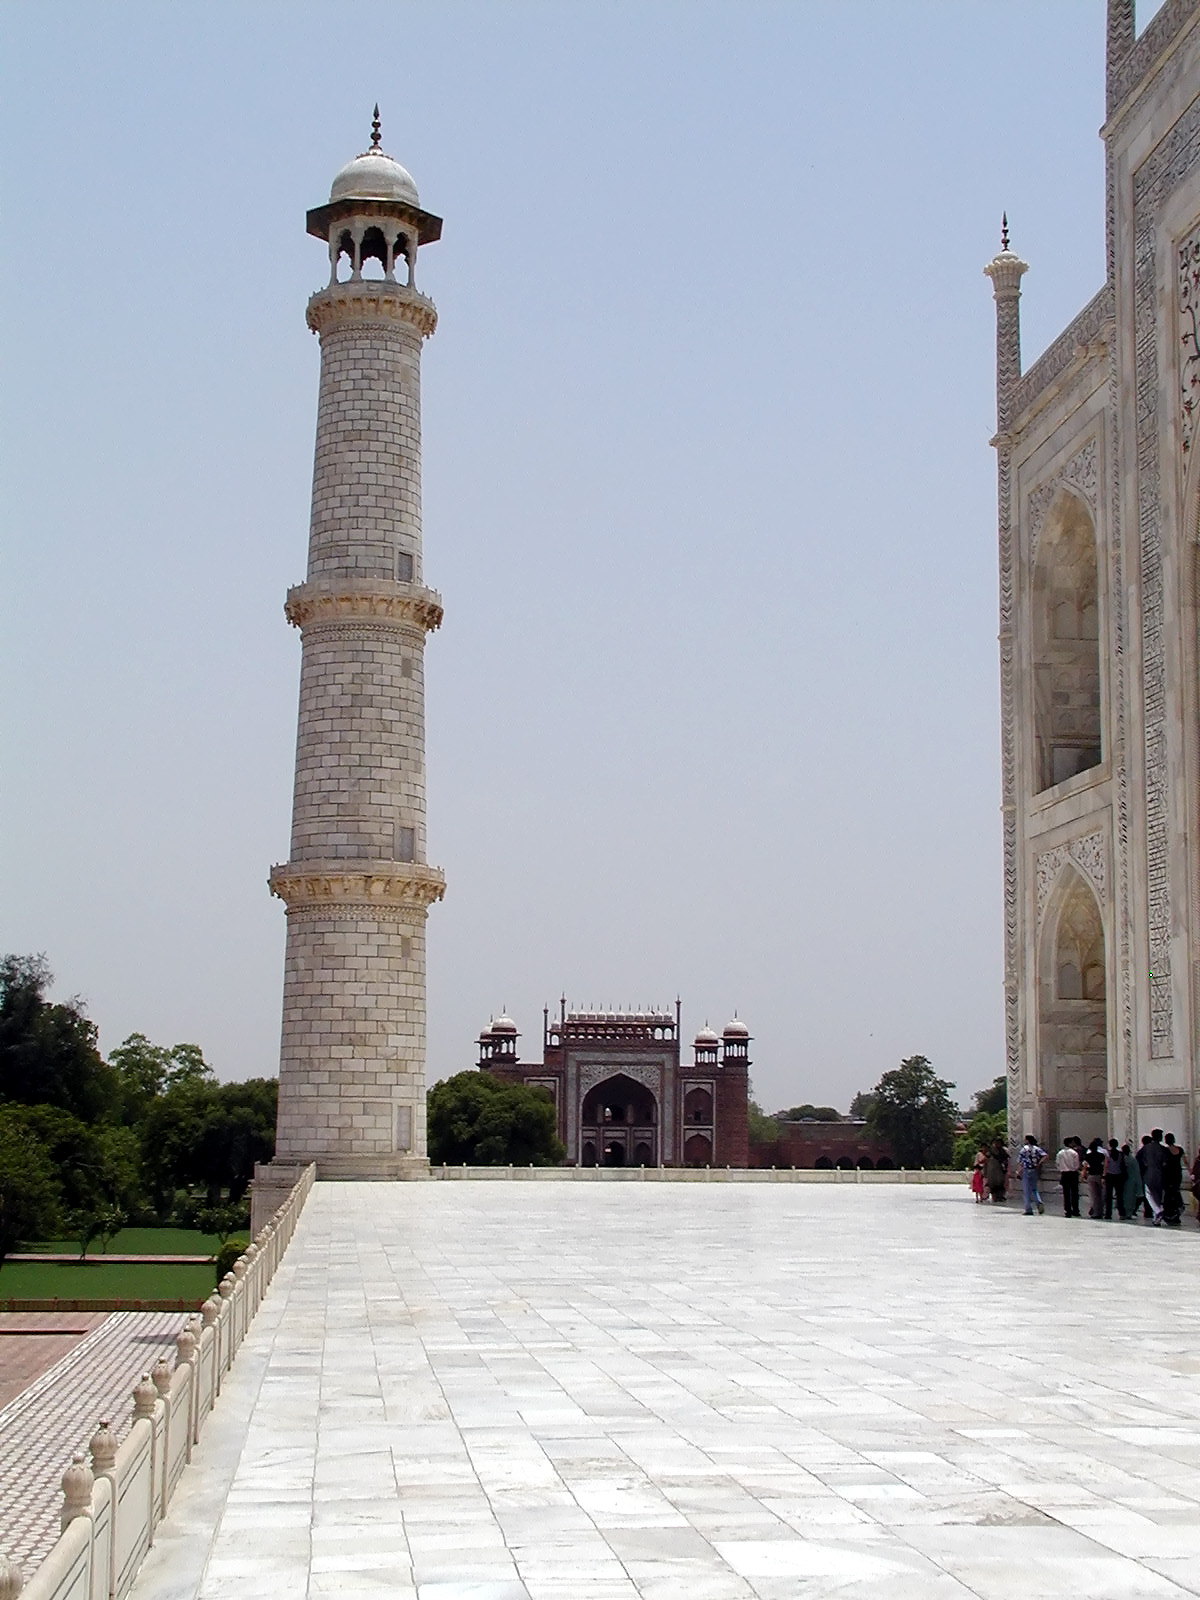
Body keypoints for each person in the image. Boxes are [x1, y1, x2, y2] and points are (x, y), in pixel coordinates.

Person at [1017, 1133, 1046, 1216]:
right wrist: (1038, 1164)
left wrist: (1019, 1172)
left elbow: (1020, 1162)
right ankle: (1038, 1201)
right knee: (1034, 1188)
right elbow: (1045, 1156)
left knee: (1026, 1190)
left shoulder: (1024, 1149)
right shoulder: (1037, 1149)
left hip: (1026, 1170)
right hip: (1034, 1170)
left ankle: (1028, 1208)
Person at [1141, 1129, 1166, 1226]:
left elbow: (1143, 1160)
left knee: (1149, 1194)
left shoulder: (1146, 1148)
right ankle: (1156, 1219)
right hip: (1160, 1174)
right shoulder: (1162, 1149)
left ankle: (1157, 1211)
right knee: (1157, 1195)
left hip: (1149, 1173)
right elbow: (1164, 1162)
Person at [1162, 1134, 1185, 1227]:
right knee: (1176, 1193)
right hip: (1177, 1174)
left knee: (1168, 1195)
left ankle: (1169, 1215)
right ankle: (1176, 1214)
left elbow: (1163, 1163)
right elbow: (1185, 1161)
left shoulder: (1165, 1150)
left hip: (1168, 1175)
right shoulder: (1179, 1149)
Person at [1056, 1136, 1081, 1217]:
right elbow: (1076, 1164)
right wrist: (1074, 1168)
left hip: (1064, 1173)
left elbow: (1057, 1164)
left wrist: (1062, 1169)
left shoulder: (1060, 1153)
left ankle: (1067, 1210)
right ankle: (1075, 1210)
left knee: (1066, 1193)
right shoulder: (1074, 1153)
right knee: (1074, 1192)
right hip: (1073, 1173)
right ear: (1070, 1143)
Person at [1103, 1138, 1127, 1221]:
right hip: (1119, 1176)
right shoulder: (1121, 1154)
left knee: (1108, 1196)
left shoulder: (1108, 1154)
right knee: (1119, 1196)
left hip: (1110, 1176)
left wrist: (1104, 1176)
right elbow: (1123, 1165)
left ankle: (1108, 1213)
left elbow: (1106, 1166)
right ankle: (1122, 1213)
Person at [1082, 1138, 1106, 1218]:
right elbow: (1104, 1165)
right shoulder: (1101, 1155)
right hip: (1099, 1175)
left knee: (1093, 1195)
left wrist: (1083, 1175)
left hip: (1091, 1175)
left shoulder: (1088, 1156)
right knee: (1101, 1195)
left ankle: (1095, 1212)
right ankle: (1100, 1211)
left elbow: (1085, 1166)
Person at [1121, 1142, 1144, 1222]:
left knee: (1129, 1198)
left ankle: (1128, 1213)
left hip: (1129, 1181)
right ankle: (1128, 1213)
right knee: (1129, 1198)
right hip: (1129, 1181)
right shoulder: (1131, 1159)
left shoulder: (1130, 1159)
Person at [985, 1139, 1009, 1204]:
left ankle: (1000, 1196)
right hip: (992, 1171)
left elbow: (1006, 1158)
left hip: (1000, 1170)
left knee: (1000, 1183)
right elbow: (986, 1160)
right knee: (992, 1184)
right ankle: (994, 1197)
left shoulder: (1003, 1151)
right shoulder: (991, 1151)